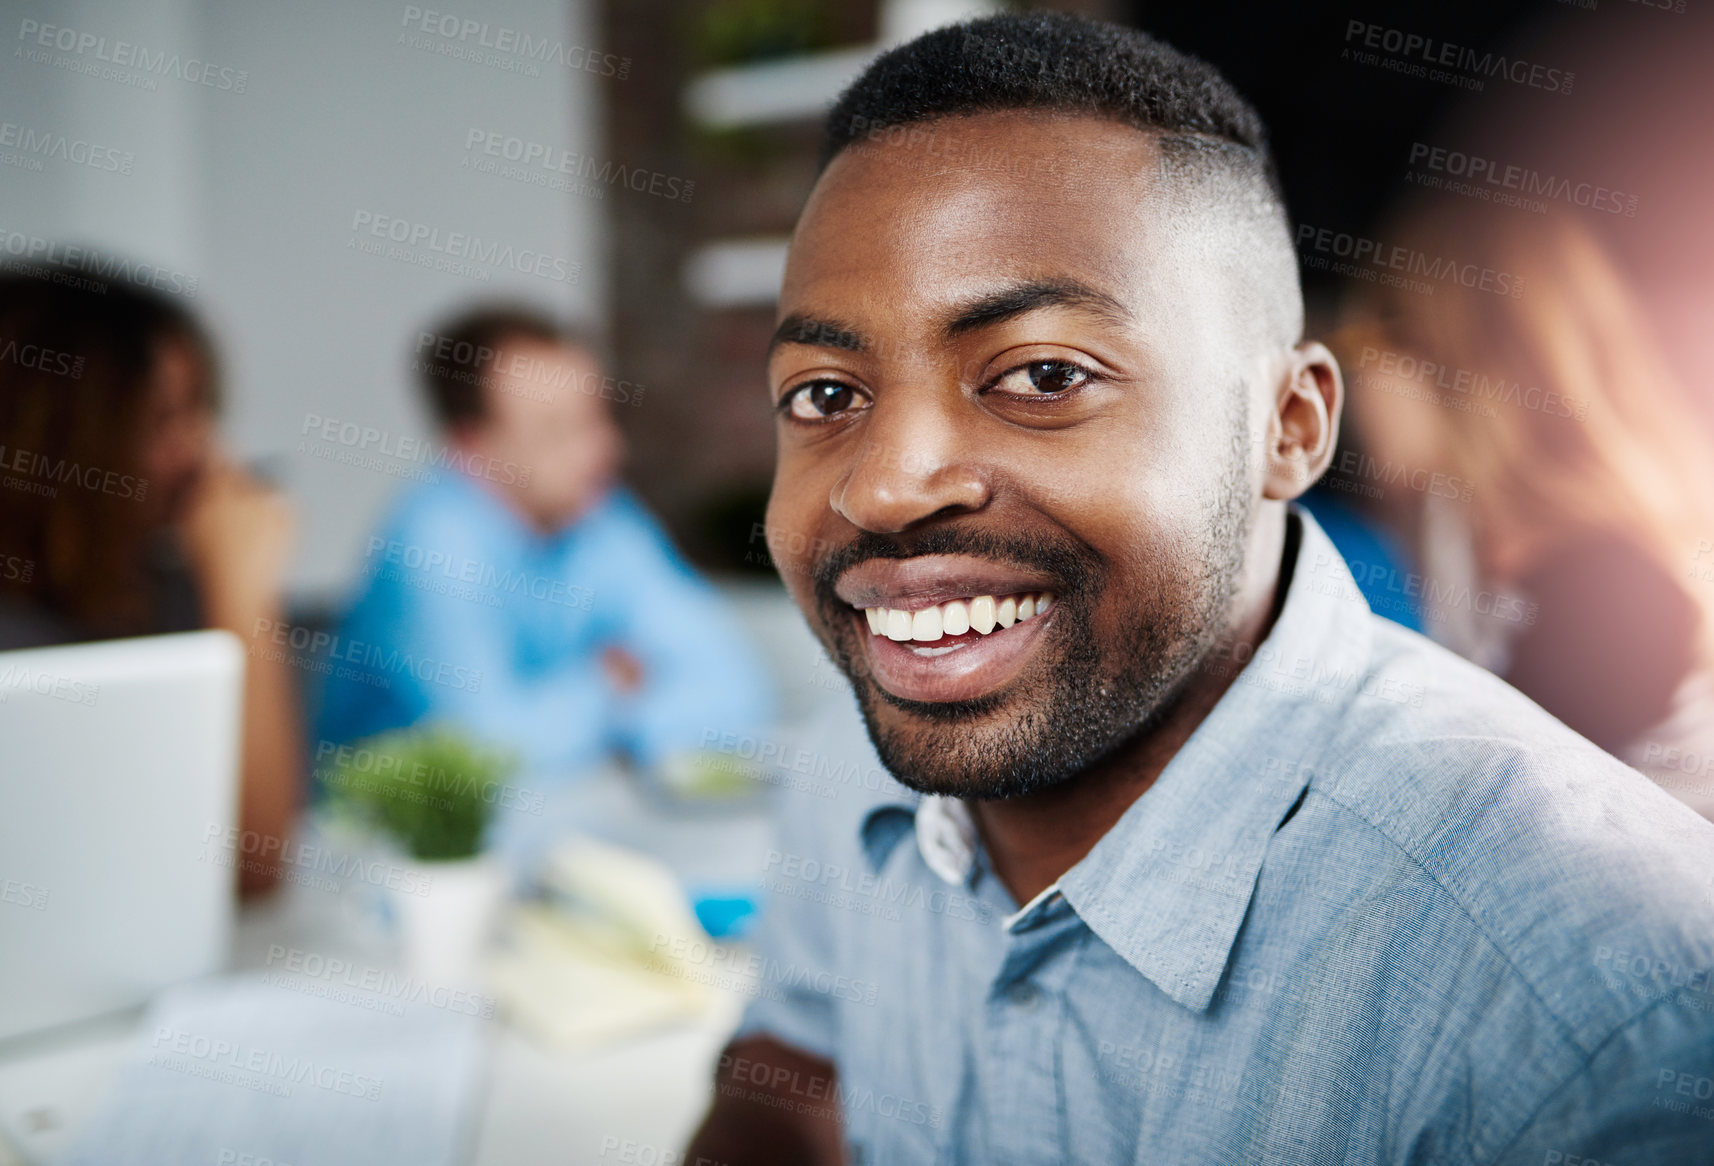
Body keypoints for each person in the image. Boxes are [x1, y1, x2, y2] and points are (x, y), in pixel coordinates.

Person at [684, 14, 1714, 1165]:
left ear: (1289, 426)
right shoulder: (848, 760)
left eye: (1041, 373)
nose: (882, 486)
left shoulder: (1598, 999)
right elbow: (788, 1063)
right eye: (825, 395)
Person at [1337, 206, 1714, 822]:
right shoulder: (1451, 526)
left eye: (1365, 343)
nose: (1349, 377)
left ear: (1450, 363)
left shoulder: (1617, 587)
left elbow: (1481, 810)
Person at [317, 307, 773, 781]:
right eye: (557, 430)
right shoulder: (429, 545)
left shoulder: (600, 515)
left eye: (597, 417)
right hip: (384, 844)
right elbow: (486, 756)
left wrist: (611, 724)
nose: (605, 449)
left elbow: (737, 688)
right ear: (470, 446)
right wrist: (608, 683)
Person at [0, 267, 302, 896]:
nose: (204, 453)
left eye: (200, 412)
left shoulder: (157, 582)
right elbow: (244, 867)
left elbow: (253, 861)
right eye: (165, 419)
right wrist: (243, 595)